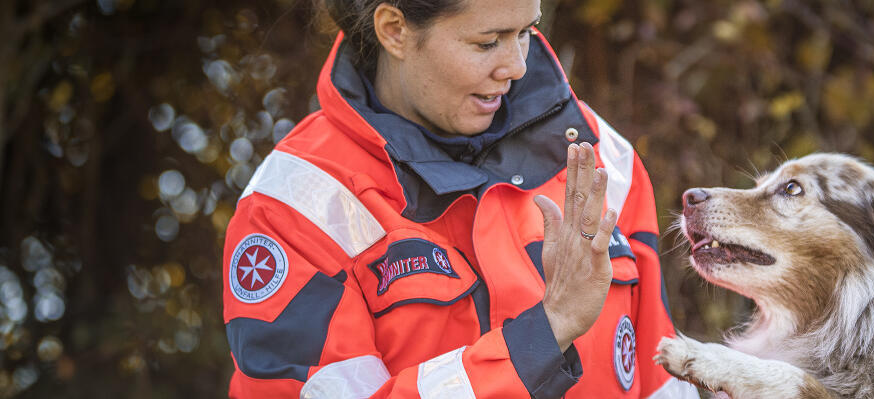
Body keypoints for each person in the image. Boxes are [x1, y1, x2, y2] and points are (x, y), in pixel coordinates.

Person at [221, 0, 701, 397]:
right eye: (487, 42)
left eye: (527, 32)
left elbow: (662, 382)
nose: (516, 66)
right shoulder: (294, 205)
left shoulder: (601, 156)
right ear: (395, 31)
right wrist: (542, 337)